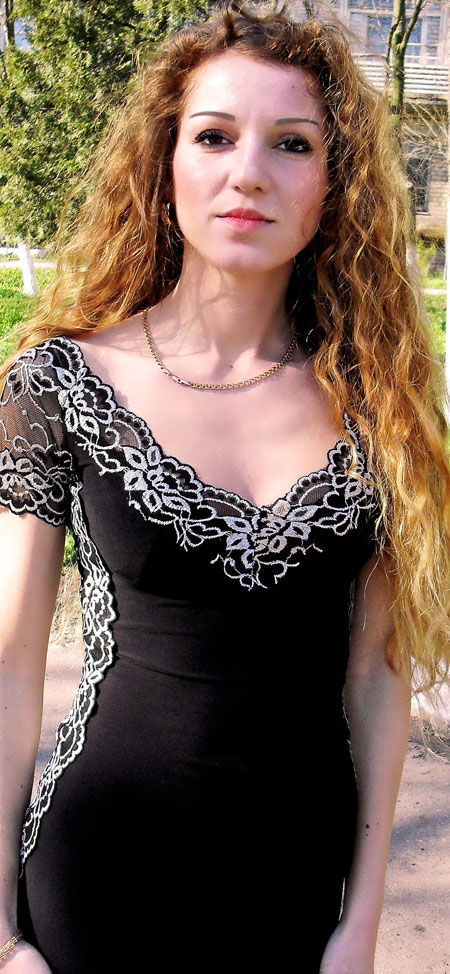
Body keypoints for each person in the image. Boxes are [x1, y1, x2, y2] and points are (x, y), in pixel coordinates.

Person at [0, 1, 449, 971]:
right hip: (95, 884)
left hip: (292, 900)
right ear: (166, 164)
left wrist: (362, 922)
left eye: (292, 143)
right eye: (213, 135)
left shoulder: (383, 411)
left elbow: (376, 678)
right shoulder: (59, 384)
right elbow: (9, 662)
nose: (249, 172)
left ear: (335, 182)